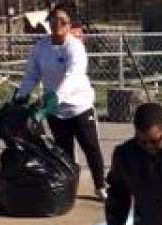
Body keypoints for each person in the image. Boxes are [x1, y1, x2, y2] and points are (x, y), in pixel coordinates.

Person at [15, 4, 107, 201]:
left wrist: (53, 97)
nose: (57, 25)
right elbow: (32, 75)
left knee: (91, 148)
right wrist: (21, 95)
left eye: (62, 21)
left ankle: (100, 186)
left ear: (69, 25)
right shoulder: (41, 47)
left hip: (79, 107)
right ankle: (69, 186)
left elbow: (72, 77)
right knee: (64, 152)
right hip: (55, 111)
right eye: (53, 20)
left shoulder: (75, 48)